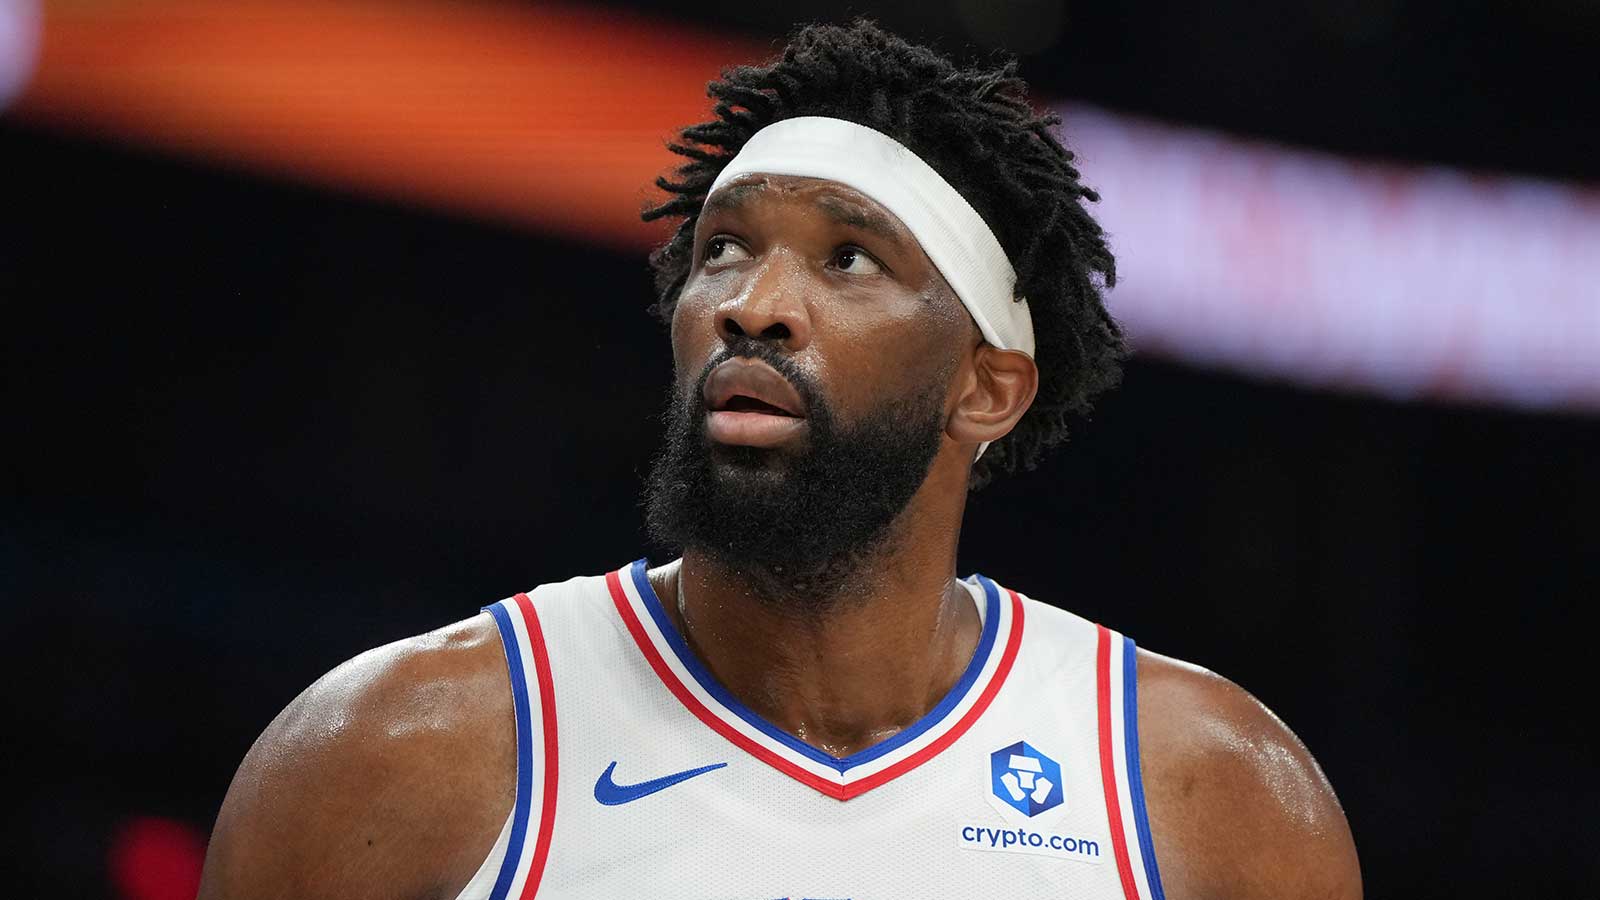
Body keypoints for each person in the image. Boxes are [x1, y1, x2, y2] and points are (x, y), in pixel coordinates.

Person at [198, 20, 1360, 900]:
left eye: (850, 260)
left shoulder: (1205, 798)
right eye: (723, 249)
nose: (754, 306)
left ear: (986, 386)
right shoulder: (392, 756)